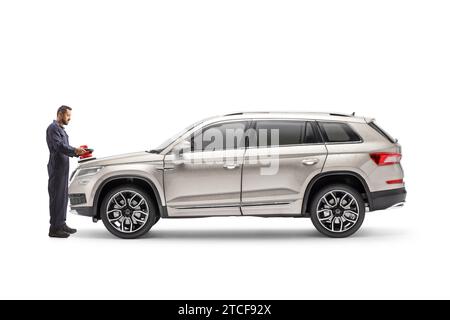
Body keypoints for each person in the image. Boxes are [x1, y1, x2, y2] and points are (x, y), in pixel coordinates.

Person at [46, 106, 87, 238]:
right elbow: (58, 146)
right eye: (68, 115)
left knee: (63, 197)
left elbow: (65, 147)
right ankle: (54, 229)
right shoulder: (52, 128)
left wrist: (77, 151)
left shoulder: (60, 129)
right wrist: (75, 150)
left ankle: (61, 224)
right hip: (56, 168)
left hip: (63, 169)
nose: (70, 118)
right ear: (60, 114)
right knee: (56, 197)